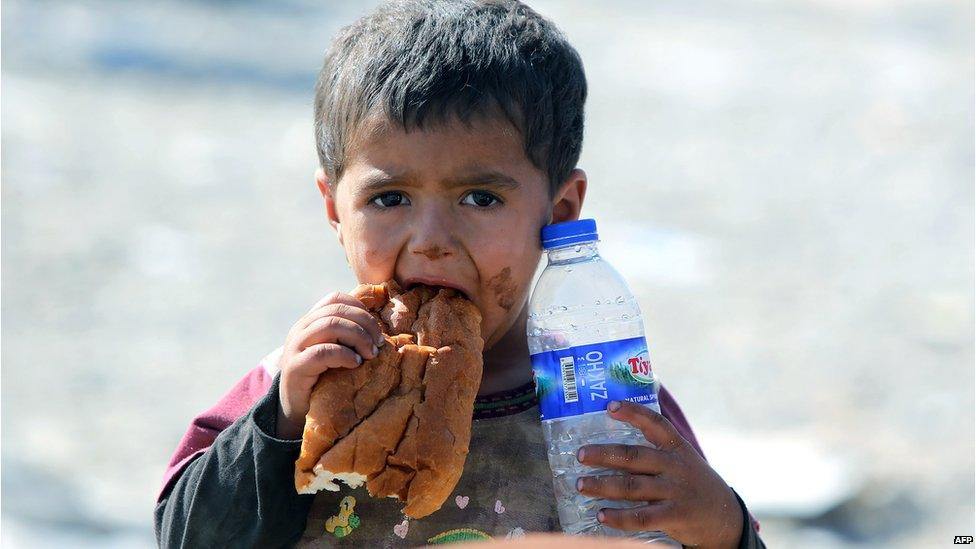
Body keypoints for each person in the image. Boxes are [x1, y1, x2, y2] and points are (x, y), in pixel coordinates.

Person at [154, 1, 765, 547]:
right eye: (389, 199)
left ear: (560, 213)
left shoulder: (599, 389)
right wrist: (282, 421)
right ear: (335, 210)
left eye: (480, 198)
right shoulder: (305, 376)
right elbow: (185, 538)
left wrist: (724, 526)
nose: (432, 242)